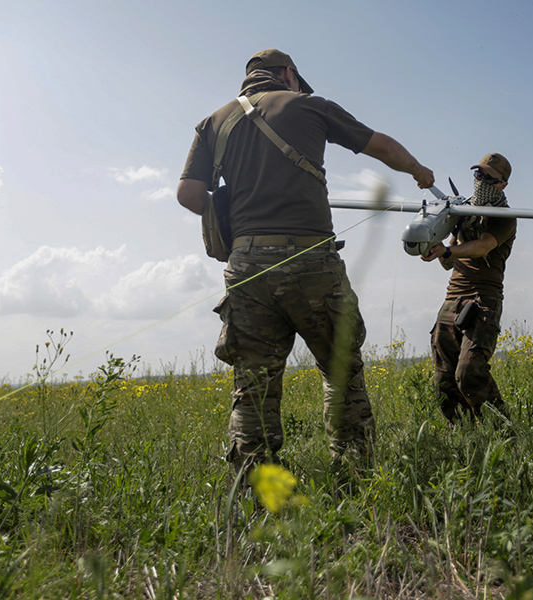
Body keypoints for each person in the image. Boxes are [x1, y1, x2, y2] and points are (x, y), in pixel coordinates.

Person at [177, 49, 435, 480]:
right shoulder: (310, 105)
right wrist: (419, 171)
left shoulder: (213, 123)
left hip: (246, 267)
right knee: (340, 368)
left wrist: (229, 213)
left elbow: (188, 194)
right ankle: (353, 473)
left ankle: (252, 486)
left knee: (253, 386)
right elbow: (382, 146)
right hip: (311, 259)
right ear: (289, 75)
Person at [421, 153, 515, 425]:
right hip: (452, 299)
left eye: (488, 177)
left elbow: (484, 245)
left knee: (469, 373)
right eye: (478, 174)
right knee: (444, 381)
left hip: (483, 301)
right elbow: (447, 265)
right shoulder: (464, 214)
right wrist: (436, 247)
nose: (481, 180)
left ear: (502, 185)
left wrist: (449, 250)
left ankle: (504, 435)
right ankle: (464, 441)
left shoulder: (505, 217)